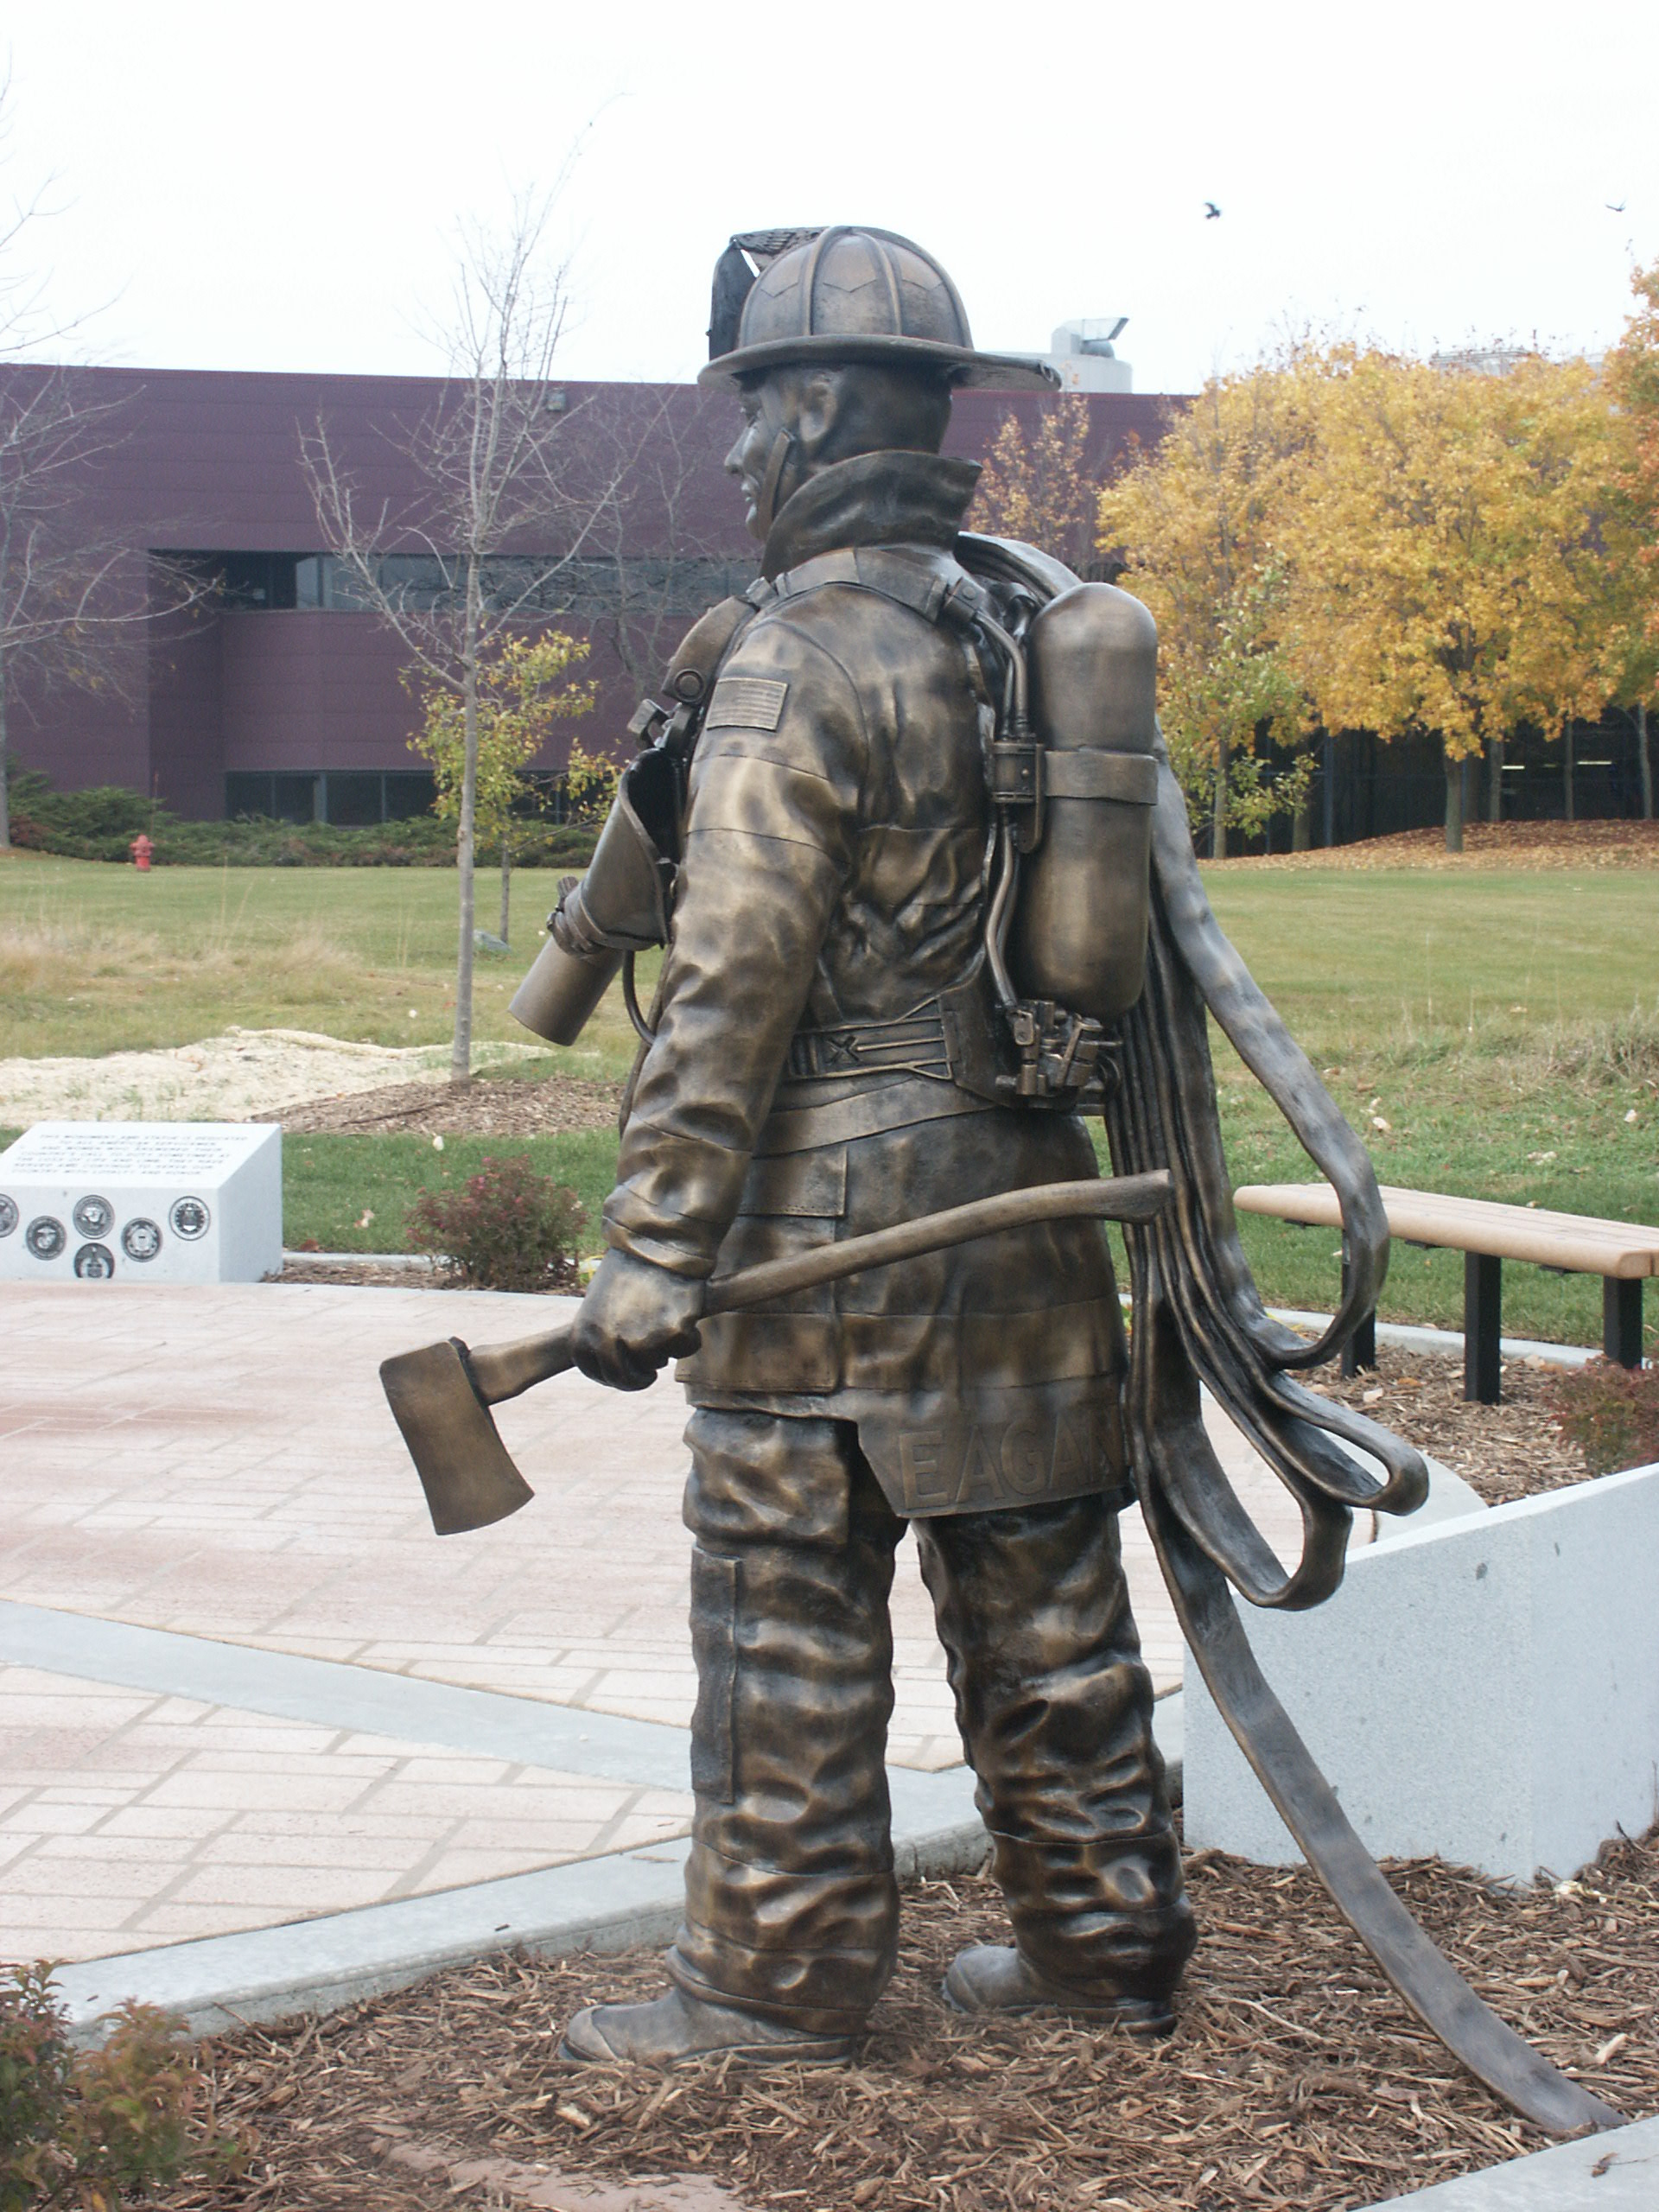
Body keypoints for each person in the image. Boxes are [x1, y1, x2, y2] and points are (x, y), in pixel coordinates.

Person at [559, 226, 1195, 2067]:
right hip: (1023, 1211)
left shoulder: (794, 658)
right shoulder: (1012, 624)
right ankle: (1106, 1944)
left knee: (786, 1619)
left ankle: (774, 1979)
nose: (740, 457)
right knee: (1049, 1612)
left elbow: (729, 981)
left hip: (827, 1240)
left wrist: (656, 1242)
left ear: (818, 413)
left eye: (753, 416)